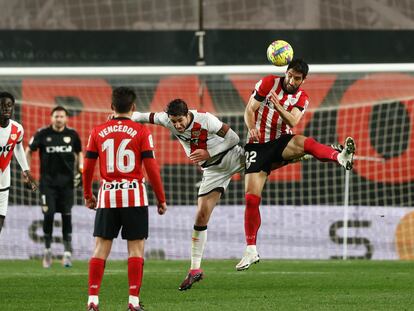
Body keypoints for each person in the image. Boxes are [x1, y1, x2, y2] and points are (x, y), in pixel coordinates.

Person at [236, 58, 356, 271]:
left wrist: (278, 106)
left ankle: (340, 157)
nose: (291, 80)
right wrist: (252, 126)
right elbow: (249, 110)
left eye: (297, 78)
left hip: (282, 140)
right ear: (286, 71)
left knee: (303, 142)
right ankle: (251, 249)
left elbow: (292, 121)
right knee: (251, 199)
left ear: (304, 80)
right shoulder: (268, 83)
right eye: (290, 75)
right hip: (257, 146)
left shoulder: (303, 96)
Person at [130, 99, 245, 291]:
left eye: (180, 121)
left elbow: (233, 138)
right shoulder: (166, 120)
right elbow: (141, 116)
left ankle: (304, 150)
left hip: (233, 157)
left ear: (188, 114)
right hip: (213, 171)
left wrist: (209, 152)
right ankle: (194, 270)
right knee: (201, 216)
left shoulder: (206, 120)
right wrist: (120, 117)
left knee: (269, 161)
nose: (177, 125)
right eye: (173, 122)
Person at [83, 87, 167, 311]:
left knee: (100, 248)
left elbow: (87, 167)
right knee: (136, 250)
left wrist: (88, 194)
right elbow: (152, 167)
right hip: (135, 197)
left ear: (112, 107)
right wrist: (161, 198)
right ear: (134, 108)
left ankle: (92, 299)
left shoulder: (97, 131)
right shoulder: (141, 131)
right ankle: (132, 302)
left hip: (107, 196)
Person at [26, 106, 83, 268]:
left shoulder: (72, 135)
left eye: (62, 116)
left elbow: (79, 153)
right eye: (56, 116)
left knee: (66, 215)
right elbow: (29, 150)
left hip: (67, 184)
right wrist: (27, 172)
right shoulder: (43, 134)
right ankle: (47, 251)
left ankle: (67, 253)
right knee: (49, 214)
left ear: (66, 118)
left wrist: (81, 170)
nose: (59, 119)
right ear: (51, 118)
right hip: (47, 184)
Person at [0, 92, 37, 234]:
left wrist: (26, 171)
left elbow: (19, 148)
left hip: (4, 180)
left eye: (9, 105)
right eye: (2, 106)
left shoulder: (18, 129)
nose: (6, 109)